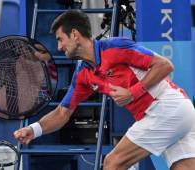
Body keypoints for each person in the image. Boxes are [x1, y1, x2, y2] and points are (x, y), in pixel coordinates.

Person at [12, 10, 195, 170]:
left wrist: (133, 92)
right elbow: (62, 113)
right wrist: (34, 129)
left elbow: (164, 65)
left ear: (75, 34)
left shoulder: (115, 47)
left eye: (60, 39)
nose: (59, 47)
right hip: (180, 112)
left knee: (112, 163)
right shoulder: (83, 74)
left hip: (166, 107)